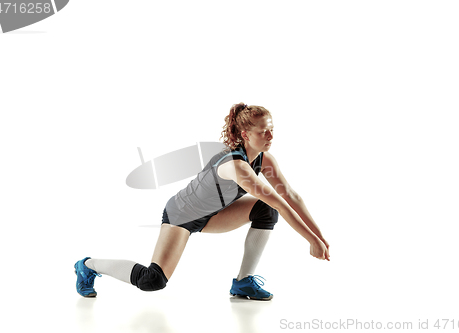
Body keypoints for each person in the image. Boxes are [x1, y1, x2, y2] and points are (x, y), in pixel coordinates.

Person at [74, 103, 330, 301]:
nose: (270, 136)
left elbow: (292, 197)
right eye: (263, 131)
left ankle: (243, 281)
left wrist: (320, 238)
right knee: (153, 281)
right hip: (181, 216)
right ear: (245, 134)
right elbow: (281, 204)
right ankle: (88, 266)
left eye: (272, 129)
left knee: (264, 210)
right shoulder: (238, 167)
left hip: (215, 214)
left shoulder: (265, 159)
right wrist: (311, 241)